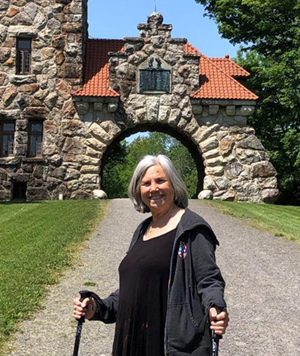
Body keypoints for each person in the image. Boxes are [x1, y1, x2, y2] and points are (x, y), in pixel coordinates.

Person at [73, 155, 229, 356]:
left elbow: (209, 280)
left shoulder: (192, 229)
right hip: (130, 342)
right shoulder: (142, 229)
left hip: (167, 344)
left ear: (174, 184)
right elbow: (135, 289)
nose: (153, 188)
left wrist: (216, 306)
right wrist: (96, 307)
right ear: (139, 190)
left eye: (160, 181)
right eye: (146, 183)